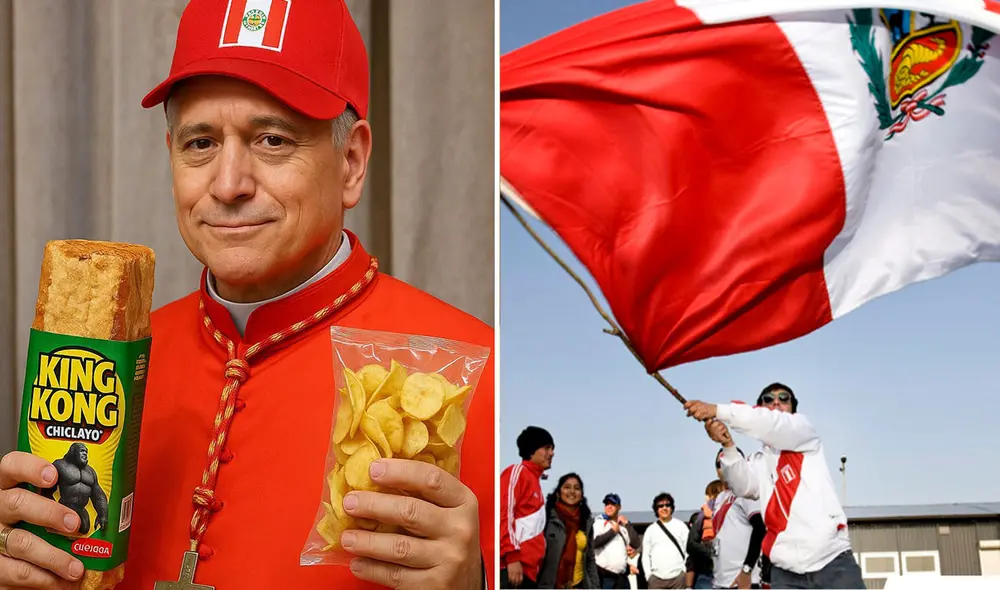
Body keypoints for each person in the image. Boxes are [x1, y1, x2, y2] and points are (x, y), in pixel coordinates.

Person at [0, 1, 493, 588]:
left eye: (272, 140)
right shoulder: (103, 362)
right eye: (201, 143)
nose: (228, 184)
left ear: (352, 162)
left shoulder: (479, 376)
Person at [684, 383, 865, 589]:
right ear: (759, 407)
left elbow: (772, 424)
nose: (776, 401)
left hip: (832, 562)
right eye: (768, 399)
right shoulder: (759, 461)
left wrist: (718, 410)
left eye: (784, 398)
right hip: (785, 571)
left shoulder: (804, 433)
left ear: (793, 408)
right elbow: (743, 487)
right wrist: (728, 446)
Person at [501, 426, 556, 588]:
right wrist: (512, 558)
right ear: (532, 450)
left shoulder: (536, 483)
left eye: (552, 449)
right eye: (547, 448)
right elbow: (503, 514)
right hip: (512, 570)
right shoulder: (518, 472)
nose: (552, 453)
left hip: (530, 574)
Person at [709, 448, 766, 589]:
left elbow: (760, 528)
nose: (723, 468)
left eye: (728, 462)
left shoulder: (747, 490)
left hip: (742, 580)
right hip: (721, 581)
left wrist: (746, 570)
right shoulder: (720, 497)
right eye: (719, 464)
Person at [537, 473, 600, 589]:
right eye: (567, 487)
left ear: (581, 495)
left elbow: (590, 559)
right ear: (558, 493)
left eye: (576, 488)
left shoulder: (586, 523)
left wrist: (595, 586)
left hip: (579, 585)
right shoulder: (546, 519)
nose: (572, 492)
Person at [640, 493, 688, 589]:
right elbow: (645, 555)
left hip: (678, 578)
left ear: (672, 507)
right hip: (656, 580)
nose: (664, 508)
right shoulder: (650, 530)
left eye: (667, 505)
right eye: (660, 506)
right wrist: (648, 576)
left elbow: (688, 551)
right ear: (656, 509)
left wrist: (684, 571)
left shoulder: (681, 526)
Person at [592, 493, 636, 589]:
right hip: (605, 578)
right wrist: (612, 532)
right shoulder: (599, 523)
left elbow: (636, 543)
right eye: (607, 504)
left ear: (619, 507)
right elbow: (593, 544)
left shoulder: (623, 527)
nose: (609, 507)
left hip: (622, 577)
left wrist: (627, 524)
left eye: (612, 504)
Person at [686, 480, 724, 589]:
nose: (706, 498)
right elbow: (691, 545)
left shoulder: (733, 513)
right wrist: (712, 553)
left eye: (708, 494)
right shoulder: (700, 518)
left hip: (721, 573)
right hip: (707, 571)